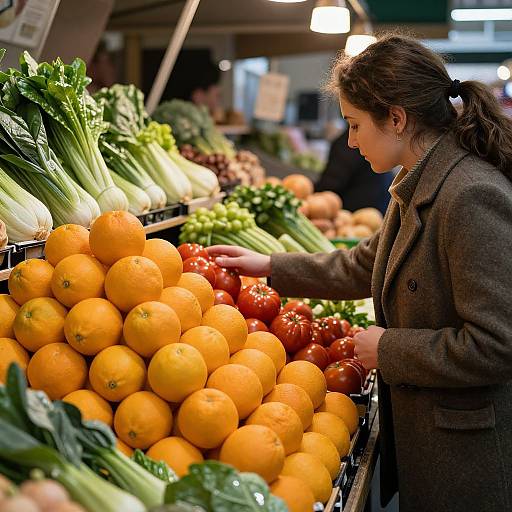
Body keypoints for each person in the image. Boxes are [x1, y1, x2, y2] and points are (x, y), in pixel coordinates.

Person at [207, 34, 512, 512]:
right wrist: (269, 266)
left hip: (468, 457)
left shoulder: (469, 195)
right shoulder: (418, 178)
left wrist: (388, 348)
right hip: (431, 441)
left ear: (396, 118)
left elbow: (497, 345)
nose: (349, 141)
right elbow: (366, 261)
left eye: (354, 125)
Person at [315, 127, 394, 215]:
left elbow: (330, 183)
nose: (351, 142)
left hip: (361, 212)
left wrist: (313, 197)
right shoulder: (379, 142)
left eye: (355, 125)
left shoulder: (345, 146)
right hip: (382, 210)